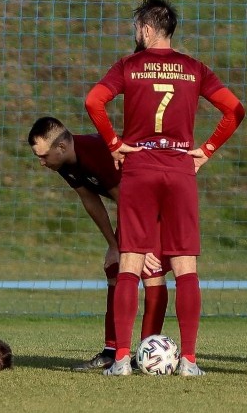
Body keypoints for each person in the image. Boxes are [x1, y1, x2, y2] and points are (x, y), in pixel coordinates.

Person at [84, 0, 246, 376]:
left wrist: (114, 143)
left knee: (130, 263)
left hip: (139, 168)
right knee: (186, 267)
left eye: (136, 27)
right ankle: (188, 361)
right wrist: (206, 149)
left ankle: (121, 359)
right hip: (179, 170)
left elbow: (94, 101)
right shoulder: (194, 68)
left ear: (146, 28)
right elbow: (235, 110)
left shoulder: (128, 66)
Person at [27, 116, 170, 371]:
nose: (41, 162)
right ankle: (112, 351)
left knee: (150, 270)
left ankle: (148, 351)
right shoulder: (64, 163)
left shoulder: (96, 154)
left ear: (61, 147)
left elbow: (129, 196)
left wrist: (144, 244)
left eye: (44, 156)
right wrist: (114, 245)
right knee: (116, 267)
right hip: (133, 206)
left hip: (157, 205)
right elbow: (90, 199)